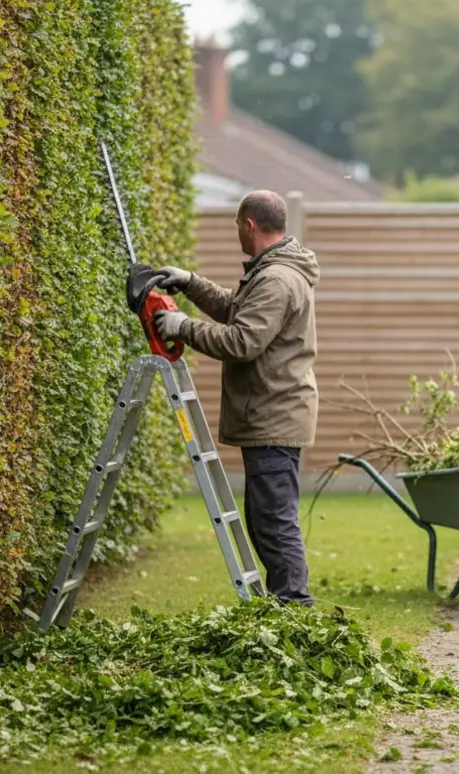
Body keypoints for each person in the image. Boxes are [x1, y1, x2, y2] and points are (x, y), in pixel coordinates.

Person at [137, 190, 319, 606]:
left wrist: (182, 327)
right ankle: (286, 604)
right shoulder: (272, 271)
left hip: (275, 414)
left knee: (275, 522)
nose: (237, 231)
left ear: (249, 225)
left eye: (237, 224)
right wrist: (190, 282)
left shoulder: (276, 279)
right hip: (272, 411)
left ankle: (295, 606)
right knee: (264, 519)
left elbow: (242, 342)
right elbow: (237, 310)